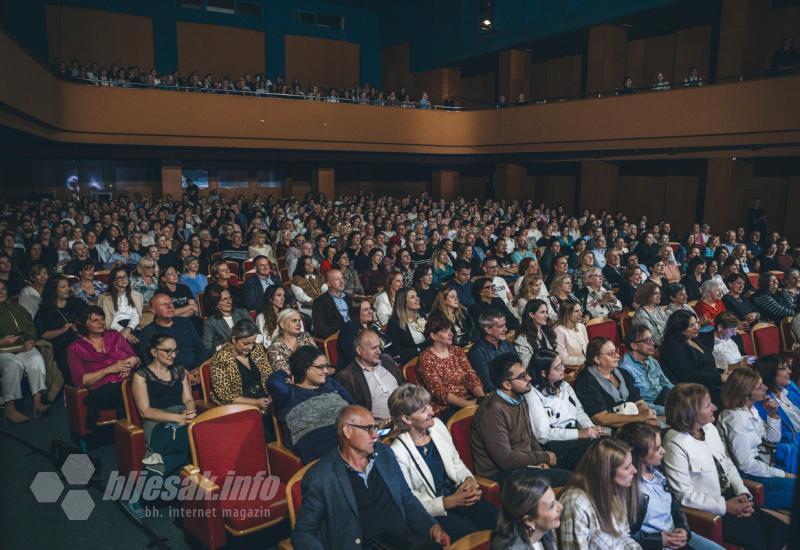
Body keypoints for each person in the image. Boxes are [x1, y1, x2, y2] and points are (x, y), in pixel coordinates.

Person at [291, 404, 450, 549]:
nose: (375, 435)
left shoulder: (384, 454)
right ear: (348, 431)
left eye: (376, 428)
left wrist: (431, 526)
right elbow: (304, 533)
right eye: (369, 429)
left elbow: (405, 498)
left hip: (402, 541)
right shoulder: (322, 477)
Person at [663, 383, 788, 550]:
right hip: (712, 511)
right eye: (708, 405)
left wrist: (742, 491)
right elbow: (684, 495)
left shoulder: (709, 429)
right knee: (765, 541)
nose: (715, 407)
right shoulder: (675, 443)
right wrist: (726, 506)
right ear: (690, 412)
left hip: (733, 498)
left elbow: (727, 464)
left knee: (783, 530)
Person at [388, 384, 497, 541]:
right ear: (406, 419)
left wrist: (469, 481)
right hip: (437, 512)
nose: (431, 411)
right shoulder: (397, 452)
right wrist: (449, 502)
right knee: (474, 539)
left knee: (501, 526)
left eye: (429, 405)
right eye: (423, 410)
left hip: (461, 496)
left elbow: (456, 462)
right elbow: (410, 503)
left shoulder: (437, 426)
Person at [617, 422, 724, 550]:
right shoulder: (627, 487)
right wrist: (658, 540)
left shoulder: (658, 473)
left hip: (677, 536)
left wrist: (683, 528)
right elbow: (626, 536)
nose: (663, 451)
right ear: (640, 455)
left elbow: (675, 507)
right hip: (655, 545)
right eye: (657, 449)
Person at [470, 353, 572, 487]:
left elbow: (530, 437)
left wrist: (541, 459)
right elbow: (505, 460)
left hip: (524, 463)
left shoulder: (520, 397)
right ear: (507, 384)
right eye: (523, 377)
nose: (529, 378)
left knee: (576, 460)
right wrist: (543, 457)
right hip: (502, 474)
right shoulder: (492, 411)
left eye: (527, 373)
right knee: (571, 479)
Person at [717, 368, 795, 510]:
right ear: (746, 393)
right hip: (747, 476)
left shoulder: (750, 409)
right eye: (759, 387)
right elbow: (745, 465)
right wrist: (783, 474)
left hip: (761, 464)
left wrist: (772, 415)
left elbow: (773, 438)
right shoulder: (736, 419)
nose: (765, 388)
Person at [268, 345, 355, 463]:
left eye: (326, 366)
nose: (325, 371)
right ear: (304, 368)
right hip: (317, 443)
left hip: (348, 433)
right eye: (320, 367)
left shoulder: (330, 384)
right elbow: (273, 382)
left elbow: (354, 406)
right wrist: (287, 371)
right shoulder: (288, 393)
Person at [558, 438, 640, 550]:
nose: (635, 470)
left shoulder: (615, 491)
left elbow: (623, 537)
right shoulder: (576, 503)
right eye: (627, 467)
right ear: (606, 472)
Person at [526, 349, 601, 469]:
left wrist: (591, 428)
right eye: (557, 367)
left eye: (562, 364)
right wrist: (579, 433)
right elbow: (543, 434)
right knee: (595, 453)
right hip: (556, 442)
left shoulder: (564, 386)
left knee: (606, 443)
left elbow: (578, 412)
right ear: (544, 373)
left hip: (576, 435)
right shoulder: (533, 394)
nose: (563, 369)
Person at [67, 306, 140, 428]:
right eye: (95, 320)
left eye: (102, 319)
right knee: (123, 392)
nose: (101, 322)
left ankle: (131, 435)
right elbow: (81, 380)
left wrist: (132, 362)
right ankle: (131, 436)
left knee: (137, 386)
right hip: (102, 389)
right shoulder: (75, 347)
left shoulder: (115, 336)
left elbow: (134, 358)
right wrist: (109, 369)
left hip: (127, 382)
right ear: (84, 324)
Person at [131, 333, 194, 475]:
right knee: (186, 437)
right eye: (168, 351)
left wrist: (190, 413)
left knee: (202, 431)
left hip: (182, 415)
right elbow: (145, 411)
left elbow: (188, 399)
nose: (173, 355)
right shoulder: (141, 375)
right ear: (154, 352)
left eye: (175, 350)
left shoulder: (180, 371)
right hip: (155, 422)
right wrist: (178, 419)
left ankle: (161, 461)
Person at [574, 337, 659, 430]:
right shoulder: (586, 382)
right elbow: (601, 418)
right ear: (597, 359)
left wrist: (647, 413)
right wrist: (639, 418)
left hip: (634, 422)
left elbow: (638, 401)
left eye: (616, 351)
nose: (617, 356)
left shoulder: (622, 372)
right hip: (609, 431)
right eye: (611, 353)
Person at [209, 319, 274, 438]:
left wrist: (272, 394)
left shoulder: (257, 350)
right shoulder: (221, 359)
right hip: (241, 403)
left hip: (263, 398)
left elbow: (268, 375)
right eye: (245, 343)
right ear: (234, 339)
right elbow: (225, 396)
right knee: (266, 431)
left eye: (252, 343)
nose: (250, 347)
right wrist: (255, 403)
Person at [0, 279, 49, 422]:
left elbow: (30, 326)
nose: (1, 292)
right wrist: (2, 341)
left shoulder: (16, 308)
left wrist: (30, 340)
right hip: (3, 351)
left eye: (3, 289)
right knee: (13, 365)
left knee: (36, 359)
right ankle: (10, 409)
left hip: (21, 347)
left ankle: (37, 403)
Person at [417, 316, 484, 420]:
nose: (451, 334)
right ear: (433, 336)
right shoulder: (425, 358)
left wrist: (481, 399)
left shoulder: (456, 351)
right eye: (445, 331)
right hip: (445, 408)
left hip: (468, 398)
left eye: (450, 330)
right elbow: (440, 393)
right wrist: (468, 405)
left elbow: (471, 377)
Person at [135, 292, 207, 384]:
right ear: (153, 310)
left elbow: (200, 348)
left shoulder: (186, 322)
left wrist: (198, 369)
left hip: (196, 371)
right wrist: (183, 375)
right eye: (163, 304)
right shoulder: (147, 333)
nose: (169, 307)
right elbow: (151, 364)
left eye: (171, 303)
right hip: (171, 379)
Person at [335, 329, 402, 422]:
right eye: (374, 348)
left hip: (407, 415)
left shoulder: (387, 360)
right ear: (359, 350)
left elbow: (403, 385)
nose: (379, 351)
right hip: (379, 426)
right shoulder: (348, 377)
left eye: (379, 347)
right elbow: (354, 413)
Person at [659, 310, 725, 401]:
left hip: (710, 385)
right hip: (694, 393)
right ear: (679, 328)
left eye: (696, 323)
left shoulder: (693, 339)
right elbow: (688, 375)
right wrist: (719, 378)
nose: (697, 327)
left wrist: (724, 372)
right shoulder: (672, 346)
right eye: (691, 325)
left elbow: (707, 366)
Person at [490, 471, 562, 550]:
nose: (561, 507)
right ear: (530, 520)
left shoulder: (544, 531)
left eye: (555, 500)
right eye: (551, 506)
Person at [35, 275, 86, 384]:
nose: (68, 288)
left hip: (82, 339)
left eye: (68, 285)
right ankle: (73, 390)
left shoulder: (77, 303)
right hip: (62, 345)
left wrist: (78, 327)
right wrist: (62, 330)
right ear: (54, 290)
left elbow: (90, 318)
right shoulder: (45, 311)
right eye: (63, 287)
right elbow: (43, 334)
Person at [755, 355, 800, 475]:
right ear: (771, 373)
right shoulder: (763, 402)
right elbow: (777, 436)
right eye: (784, 368)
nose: (789, 371)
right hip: (791, 444)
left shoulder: (790, 387)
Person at [618, 326, 674, 416]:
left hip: (664, 397)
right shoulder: (625, 369)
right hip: (650, 407)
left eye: (652, 339)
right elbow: (636, 402)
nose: (652, 343)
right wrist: (667, 411)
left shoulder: (651, 360)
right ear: (634, 345)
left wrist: (682, 394)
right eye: (647, 341)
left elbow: (666, 383)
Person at [468, 309, 517, 392]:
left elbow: (518, 368)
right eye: (501, 326)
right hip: (498, 395)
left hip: (515, 387)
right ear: (488, 330)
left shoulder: (507, 344)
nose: (506, 329)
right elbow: (487, 385)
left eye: (505, 325)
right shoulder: (477, 352)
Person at [97, 266, 143, 344]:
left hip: (131, 325)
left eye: (125, 276)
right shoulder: (105, 298)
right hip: (114, 327)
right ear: (114, 282)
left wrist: (128, 329)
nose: (123, 279)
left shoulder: (136, 295)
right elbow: (108, 319)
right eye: (119, 277)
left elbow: (135, 315)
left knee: (142, 340)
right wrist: (122, 331)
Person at [201, 285, 250, 353]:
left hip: (249, 349)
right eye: (224, 299)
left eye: (230, 298)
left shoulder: (242, 312)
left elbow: (257, 332)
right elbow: (207, 348)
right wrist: (223, 346)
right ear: (215, 304)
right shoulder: (210, 323)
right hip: (228, 355)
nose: (229, 302)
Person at [266, 308, 316, 373]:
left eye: (299, 321)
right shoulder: (275, 347)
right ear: (282, 325)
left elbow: (318, 357)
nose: (299, 324)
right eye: (294, 321)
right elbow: (283, 371)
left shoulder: (305, 336)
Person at [386, 287, 428, 364]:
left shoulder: (422, 315)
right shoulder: (394, 323)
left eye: (416, 296)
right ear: (403, 302)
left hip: (428, 357)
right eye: (412, 297)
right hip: (411, 363)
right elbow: (398, 353)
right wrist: (420, 349)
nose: (417, 299)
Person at [515, 299, 557, 369]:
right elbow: (526, 366)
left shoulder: (546, 332)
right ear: (532, 315)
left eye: (546, 312)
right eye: (542, 312)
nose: (546, 315)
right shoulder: (522, 339)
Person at [311, 269, 352, 338]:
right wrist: (341, 331)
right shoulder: (320, 302)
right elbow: (320, 328)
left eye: (342, 278)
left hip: (352, 334)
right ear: (328, 283)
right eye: (337, 279)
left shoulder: (347, 297)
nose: (342, 281)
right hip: (336, 337)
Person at [553, 299, 589, 370]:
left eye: (580, 310)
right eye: (576, 311)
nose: (581, 314)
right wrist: (585, 361)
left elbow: (588, 348)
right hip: (571, 369)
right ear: (567, 313)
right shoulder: (559, 331)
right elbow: (564, 359)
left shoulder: (581, 326)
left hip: (586, 366)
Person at [631, 282, 668, 346]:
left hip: (667, 342)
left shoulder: (658, 309)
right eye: (655, 293)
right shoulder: (641, 315)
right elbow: (653, 339)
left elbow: (668, 325)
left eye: (659, 293)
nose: (659, 296)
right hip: (654, 347)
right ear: (647, 295)